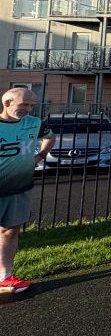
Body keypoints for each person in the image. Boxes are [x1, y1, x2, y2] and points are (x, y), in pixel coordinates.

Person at [0, 87, 54, 293]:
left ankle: (5, 277)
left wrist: (39, 157)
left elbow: (50, 137)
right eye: (25, 105)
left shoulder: (34, 123)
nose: (29, 109)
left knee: (10, 230)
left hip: (18, 186)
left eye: (32, 105)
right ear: (7, 103)